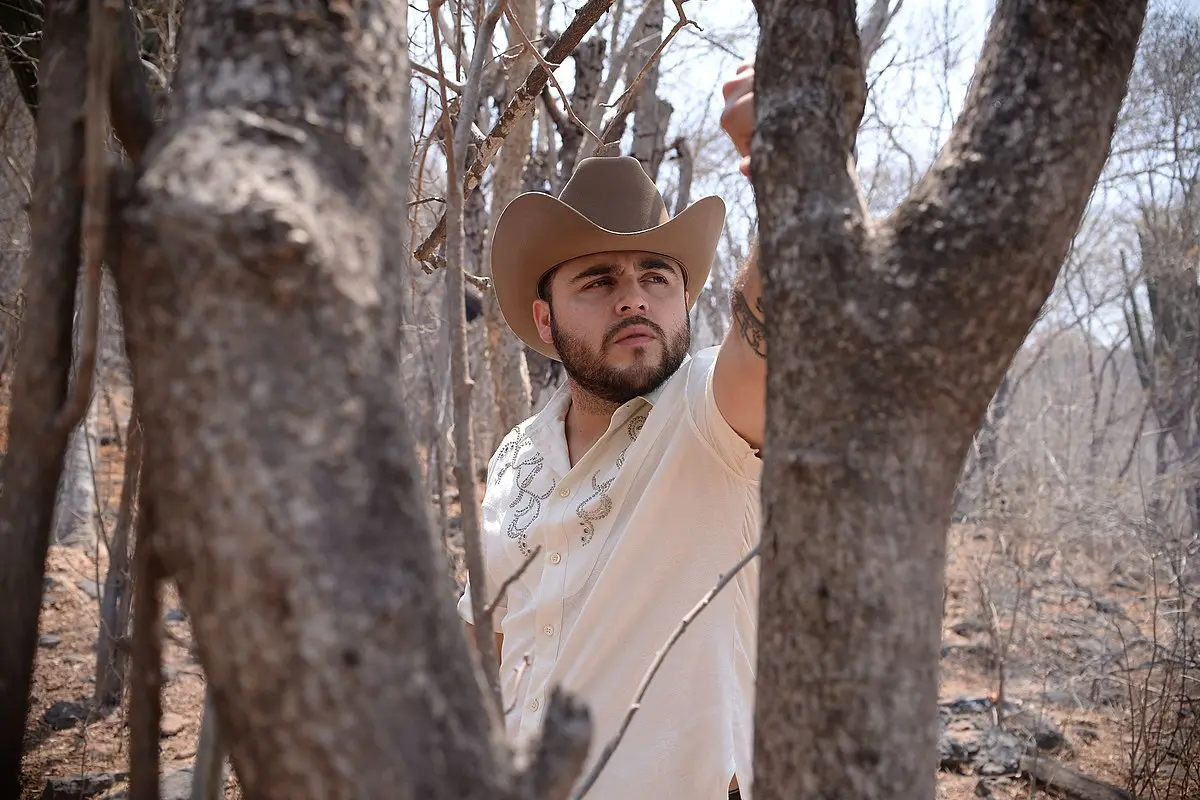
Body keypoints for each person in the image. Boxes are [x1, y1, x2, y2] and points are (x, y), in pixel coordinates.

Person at [457, 61, 763, 799]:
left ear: (685, 300)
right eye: (598, 281)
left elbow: (772, 342)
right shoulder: (516, 456)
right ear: (544, 318)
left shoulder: (711, 412)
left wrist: (787, 178)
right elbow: (488, 635)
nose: (634, 298)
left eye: (656, 276)